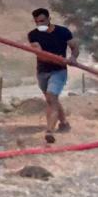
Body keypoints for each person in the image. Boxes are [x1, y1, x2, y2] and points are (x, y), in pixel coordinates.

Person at [27, 8, 79, 144]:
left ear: (49, 19)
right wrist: (59, 59)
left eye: (42, 21)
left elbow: (74, 47)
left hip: (59, 71)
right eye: (37, 22)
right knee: (52, 99)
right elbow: (41, 55)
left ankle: (49, 131)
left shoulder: (63, 32)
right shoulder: (33, 35)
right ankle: (64, 123)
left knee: (51, 97)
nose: (40, 24)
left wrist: (73, 58)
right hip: (42, 71)